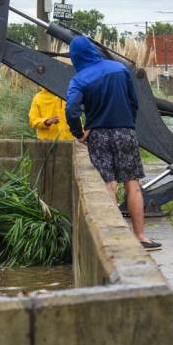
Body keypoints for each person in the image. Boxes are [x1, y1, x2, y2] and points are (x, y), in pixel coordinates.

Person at [65, 36, 160, 251]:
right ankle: (141, 236)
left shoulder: (79, 79)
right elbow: (134, 101)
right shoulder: (119, 68)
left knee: (108, 184)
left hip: (98, 135)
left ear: (75, 57)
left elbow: (71, 110)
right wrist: (127, 122)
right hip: (125, 131)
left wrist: (79, 133)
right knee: (132, 185)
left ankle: (115, 239)